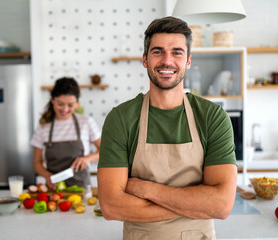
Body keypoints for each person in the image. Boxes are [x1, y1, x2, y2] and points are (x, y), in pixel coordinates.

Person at [97, 16, 237, 240]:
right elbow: (112, 207)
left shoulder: (212, 117)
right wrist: (197, 205)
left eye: (177, 52)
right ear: (145, 59)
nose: (167, 61)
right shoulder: (121, 119)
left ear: (188, 61)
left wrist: (148, 190)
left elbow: (221, 205)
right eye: (158, 51)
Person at [31, 77, 101, 189]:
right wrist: (47, 175)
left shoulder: (86, 122)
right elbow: (37, 162)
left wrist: (87, 158)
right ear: (52, 100)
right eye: (60, 104)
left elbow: (105, 151)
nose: (65, 109)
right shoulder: (43, 127)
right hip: (53, 190)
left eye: (70, 105)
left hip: (81, 189)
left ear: (77, 104)